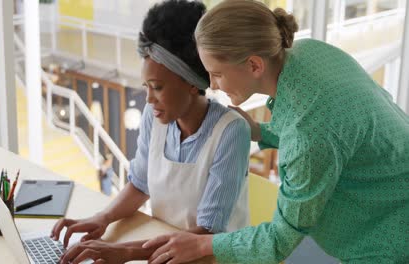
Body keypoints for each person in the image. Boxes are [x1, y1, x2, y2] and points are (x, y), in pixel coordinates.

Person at [143, 1, 409, 263]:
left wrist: (202, 244)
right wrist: (259, 131)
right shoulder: (309, 52)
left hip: (389, 236)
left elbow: (279, 240)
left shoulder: (307, 135)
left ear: (255, 66)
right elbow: (335, 133)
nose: (211, 85)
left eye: (217, 74)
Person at [50, 1, 252, 263]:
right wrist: (103, 218)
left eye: (157, 87)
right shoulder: (154, 117)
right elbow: (139, 184)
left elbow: (206, 234)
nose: (149, 99)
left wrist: (123, 251)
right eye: (146, 86)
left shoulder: (232, 132)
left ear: (192, 83)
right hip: (163, 249)